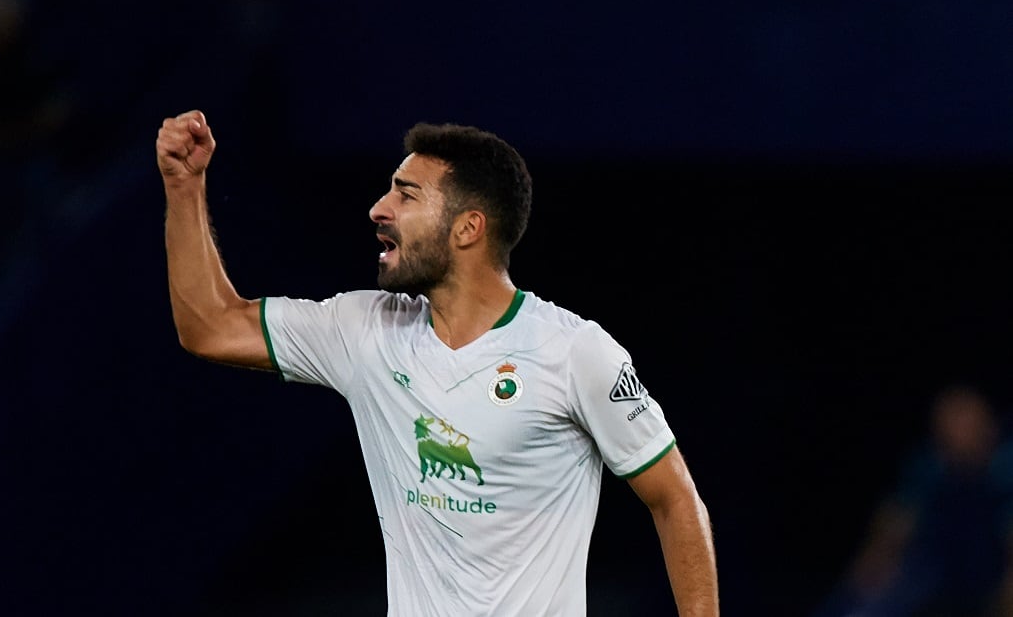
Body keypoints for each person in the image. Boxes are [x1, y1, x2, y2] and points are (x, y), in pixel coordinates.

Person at [155, 109, 719, 616]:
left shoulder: (574, 353)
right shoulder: (364, 331)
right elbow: (210, 326)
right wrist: (185, 187)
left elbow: (674, 499)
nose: (379, 208)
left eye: (406, 194)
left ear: (468, 228)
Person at [812, 384, 1013, 617]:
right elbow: (894, 524)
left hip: (992, 567)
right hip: (934, 565)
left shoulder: (1006, 466)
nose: (957, 431)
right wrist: (870, 570)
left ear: (988, 424)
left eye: (966, 421)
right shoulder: (928, 465)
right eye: (948, 422)